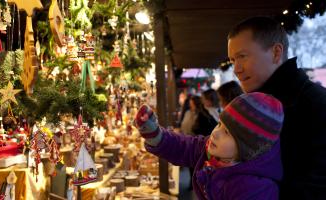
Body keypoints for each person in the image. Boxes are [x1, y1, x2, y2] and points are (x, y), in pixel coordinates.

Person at [227, 16, 326, 199]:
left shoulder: (315, 103)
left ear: (276, 53)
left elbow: (316, 185)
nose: (236, 68)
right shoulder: (251, 104)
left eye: (242, 56)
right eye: (233, 60)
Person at [135, 92, 284, 199]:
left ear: (248, 147)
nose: (215, 133)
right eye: (219, 124)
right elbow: (184, 147)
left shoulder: (255, 189)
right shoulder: (214, 151)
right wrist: (155, 134)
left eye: (227, 132)